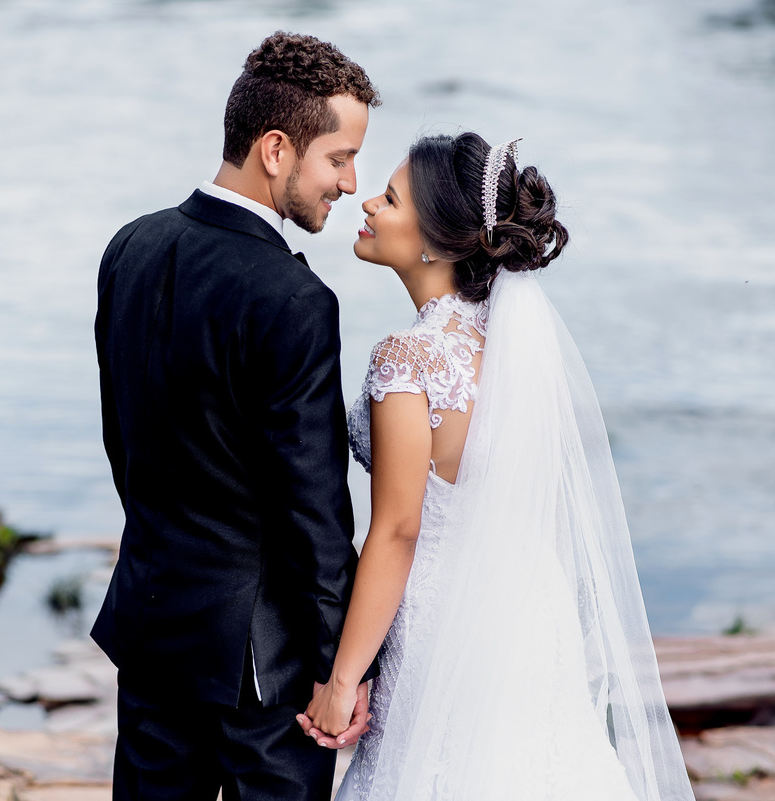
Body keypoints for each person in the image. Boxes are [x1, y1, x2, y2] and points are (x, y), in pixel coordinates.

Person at [297, 133, 696, 800]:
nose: (367, 203)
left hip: (442, 625)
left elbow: (398, 530)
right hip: (531, 614)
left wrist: (343, 681)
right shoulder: (516, 350)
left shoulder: (408, 358)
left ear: (437, 242)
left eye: (389, 199)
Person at [91, 31, 381, 801]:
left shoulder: (130, 247)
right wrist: (340, 666)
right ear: (276, 149)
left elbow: (125, 445)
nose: (350, 182)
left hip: (151, 629)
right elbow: (313, 509)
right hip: (264, 668)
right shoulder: (294, 299)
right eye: (339, 157)